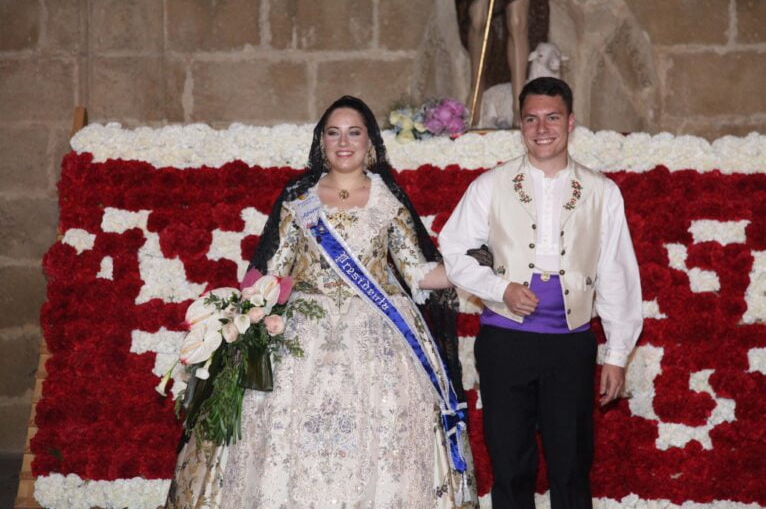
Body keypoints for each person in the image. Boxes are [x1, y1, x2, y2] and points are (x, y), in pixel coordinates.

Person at [166, 96, 477, 508]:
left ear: (370, 142)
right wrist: (243, 315)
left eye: (354, 132)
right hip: (302, 334)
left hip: (381, 337)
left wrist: (475, 267)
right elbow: (271, 274)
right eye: (334, 133)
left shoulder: (388, 200)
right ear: (321, 142)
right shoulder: (300, 199)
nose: (343, 142)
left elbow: (418, 272)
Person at [438, 77, 643, 509]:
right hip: (505, 341)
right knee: (510, 465)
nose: (541, 128)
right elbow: (454, 252)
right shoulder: (489, 185)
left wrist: (617, 354)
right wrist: (501, 288)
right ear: (520, 124)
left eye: (552, 117)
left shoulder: (602, 192)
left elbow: (616, 273)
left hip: (571, 344)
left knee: (571, 465)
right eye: (531, 119)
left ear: (570, 123)